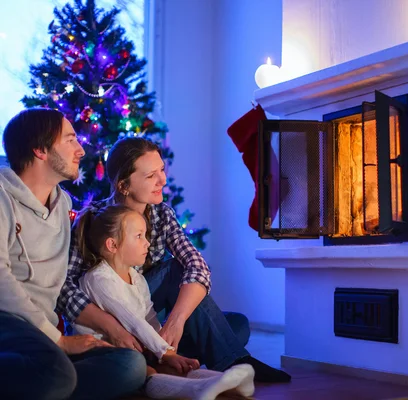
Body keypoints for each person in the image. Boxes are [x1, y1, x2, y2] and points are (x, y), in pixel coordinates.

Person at [58, 136, 291, 383]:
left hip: (149, 315)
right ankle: (228, 361)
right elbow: (64, 288)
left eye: (161, 170)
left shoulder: (161, 214)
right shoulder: (93, 220)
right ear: (124, 185)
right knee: (173, 271)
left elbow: (197, 265)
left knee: (237, 325)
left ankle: (163, 357)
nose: (163, 180)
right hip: (108, 321)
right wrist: (112, 327)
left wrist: (175, 322)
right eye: (151, 176)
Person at [0, 108, 147, 399]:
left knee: (131, 365)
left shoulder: (63, 203)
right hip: (8, 323)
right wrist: (59, 340)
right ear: (40, 150)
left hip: (43, 333)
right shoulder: (3, 198)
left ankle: (48, 384)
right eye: (69, 140)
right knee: (57, 373)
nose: (80, 150)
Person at [71, 204, 256, 399]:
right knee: (144, 367)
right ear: (113, 245)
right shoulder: (99, 280)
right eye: (139, 236)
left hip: (139, 345)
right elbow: (133, 322)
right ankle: (198, 388)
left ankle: (223, 381)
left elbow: (149, 317)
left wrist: (161, 352)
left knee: (163, 364)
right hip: (105, 351)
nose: (147, 243)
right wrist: (166, 353)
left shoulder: (137, 277)